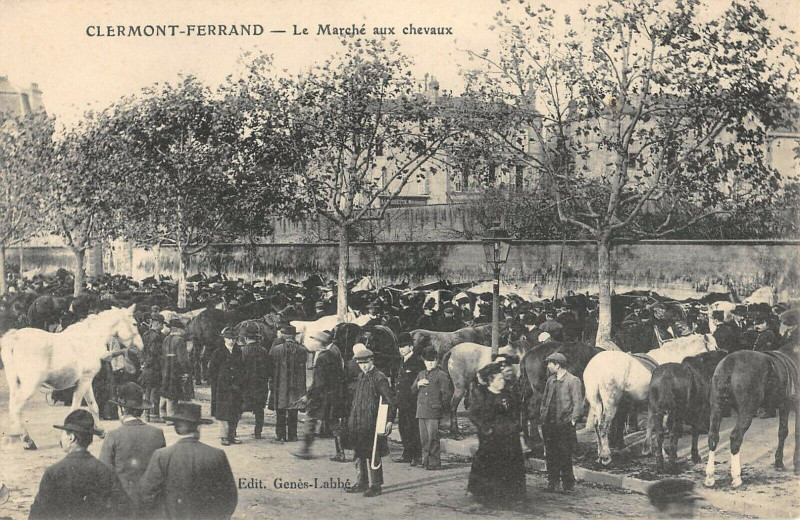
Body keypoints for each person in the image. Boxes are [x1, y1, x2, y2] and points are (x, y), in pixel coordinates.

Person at [138, 402, 238, 520]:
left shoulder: (162, 456)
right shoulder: (216, 455)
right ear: (199, 427)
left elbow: (147, 493)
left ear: (176, 428)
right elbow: (229, 497)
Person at [29, 409, 131, 520]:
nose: (61, 438)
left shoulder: (53, 473)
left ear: (71, 438)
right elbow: (124, 509)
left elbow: (37, 515)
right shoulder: (106, 470)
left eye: (63, 433)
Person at [99, 382, 167, 515]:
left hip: (122, 505)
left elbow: (104, 472)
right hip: (150, 504)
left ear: (122, 409)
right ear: (141, 410)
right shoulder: (157, 433)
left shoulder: (113, 435)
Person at [467, 362, 526, 506]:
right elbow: (474, 415)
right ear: (491, 380)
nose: (503, 381)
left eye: (503, 379)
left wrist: (518, 430)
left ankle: (512, 495)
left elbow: (514, 414)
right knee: (490, 464)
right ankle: (486, 496)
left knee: (512, 464)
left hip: (510, 437)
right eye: (499, 379)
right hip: (491, 437)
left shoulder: (507, 395)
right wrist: (486, 429)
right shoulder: (483, 395)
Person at [346, 348, 396, 497]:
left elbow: (390, 401)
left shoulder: (379, 378)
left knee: (373, 453)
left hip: (372, 423)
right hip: (359, 422)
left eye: (366, 363)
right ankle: (362, 482)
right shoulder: (362, 376)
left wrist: (389, 421)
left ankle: (376, 485)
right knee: (359, 453)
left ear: (372, 361)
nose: (363, 366)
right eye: (361, 364)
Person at [293, 330, 345, 459]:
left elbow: (319, 382)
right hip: (332, 396)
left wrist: (308, 395)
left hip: (321, 397)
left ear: (321, 343)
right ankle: (340, 453)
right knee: (334, 424)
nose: (313, 343)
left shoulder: (322, 357)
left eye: (315, 340)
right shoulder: (332, 354)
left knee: (310, 420)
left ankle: (305, 450)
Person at [540, 352, 582, 493]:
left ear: (557, 365)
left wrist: (573, 421)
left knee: (564, 454)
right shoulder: (550, 380)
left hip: (564, 424)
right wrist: (542, 416)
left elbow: (578, 403)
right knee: (550, 454)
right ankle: (552, 483)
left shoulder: (573, 380)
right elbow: (544, 400)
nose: (548, 366)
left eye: (550, 363)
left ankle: (568, 485)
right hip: (549, 423)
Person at [411, 346, 453, 470]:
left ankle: (434, 462)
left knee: (433, 438)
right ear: (424, 361)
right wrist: (418, 384)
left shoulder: (441, 375)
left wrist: (440, 408)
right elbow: (412, 390)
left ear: (437, 360)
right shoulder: (421, 374)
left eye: (433, 360)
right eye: (427, 361)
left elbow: (447, 394)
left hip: (434, 410)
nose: (430, 363)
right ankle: (426, 460)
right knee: (424, 438)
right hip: (421, 410)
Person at [268, 324, 307, 442]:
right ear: (294, 336)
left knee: (280, 410)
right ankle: (293, 435)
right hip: (296, 384)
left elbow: (271, 368)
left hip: (280, 383)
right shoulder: (302, 350)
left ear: (284, 335)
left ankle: (280, 435)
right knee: (293, 410)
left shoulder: (276, 350)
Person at [208, 327, 244, 446]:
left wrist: (239, 382)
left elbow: (242, 368)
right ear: (224, 339)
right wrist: (217, 383)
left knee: (235, 411)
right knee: (223, 412)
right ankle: (223, 436)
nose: (232, 341)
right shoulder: (218, 352)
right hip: (222, 387)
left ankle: (232, 435)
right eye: (229, 338)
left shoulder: (238, 351)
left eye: (234, 339)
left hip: (236, 386)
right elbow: (212, 370)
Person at [393, 334, 425, 466]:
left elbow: (420, 380)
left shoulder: (417, 361)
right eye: (400, 347)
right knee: (403, 427)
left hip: (412, 400)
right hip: (402, 400)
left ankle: (416, 456)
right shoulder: (402, 360)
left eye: (404, 346)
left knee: (413, 428)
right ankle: (407, 453)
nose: (401, 349)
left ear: (411, 347)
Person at [239, 323, 270, 439]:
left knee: (239, 408)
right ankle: (258, 432)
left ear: (246, 338)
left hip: (245, 385)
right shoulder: (264, 351)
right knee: (259, 410)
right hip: (260, 386)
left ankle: (234, 432)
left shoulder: (241, 351)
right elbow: (269, 369)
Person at [161, 319, 192, 420]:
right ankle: (171, 417)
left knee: (166, 391)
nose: (183, 331)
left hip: (166, 368)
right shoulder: (179, 340)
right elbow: (182, 359)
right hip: (176, 369)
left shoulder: (166, 339)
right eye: (182, 329)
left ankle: (162, 413)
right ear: (178, 329)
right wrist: (186, 371)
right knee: (173, 393)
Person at [140, 313, 166, 423]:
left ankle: (147, 415)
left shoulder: (145, 334)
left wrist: (143, 363)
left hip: (146, 366)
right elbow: (154, 352)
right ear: (158, 323)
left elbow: (142, 350)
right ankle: (154, 415)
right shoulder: (157, 336)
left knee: (147, 391)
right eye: (162, 324)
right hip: (154, 366)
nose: (163, 327)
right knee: (155, 391)